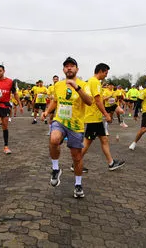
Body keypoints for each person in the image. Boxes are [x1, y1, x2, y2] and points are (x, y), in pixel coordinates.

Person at [42, 57, 92, 198]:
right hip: (60, 121)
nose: (69, 68)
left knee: (76, 157)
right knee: (54, 139)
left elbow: (89, 101)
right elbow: (55, 102)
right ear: (63, 70)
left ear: (77, 69)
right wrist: (47, 111)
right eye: (66, 66)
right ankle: (56, 169)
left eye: (72, 66)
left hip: (76, 126)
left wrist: (76, 87)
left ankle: (78, 184)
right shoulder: (58, 85)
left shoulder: (83, 84)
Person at [80, 63, 125, 172]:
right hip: (93, 117)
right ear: (100, 71)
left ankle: (111, 163)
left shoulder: (90, 81)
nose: (106, 75)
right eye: (106, 73)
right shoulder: (95, 82)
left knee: (104, 139)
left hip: (95, 117)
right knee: (87, 143)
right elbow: (98, 101)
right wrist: (106, 114)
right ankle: (76, 163)